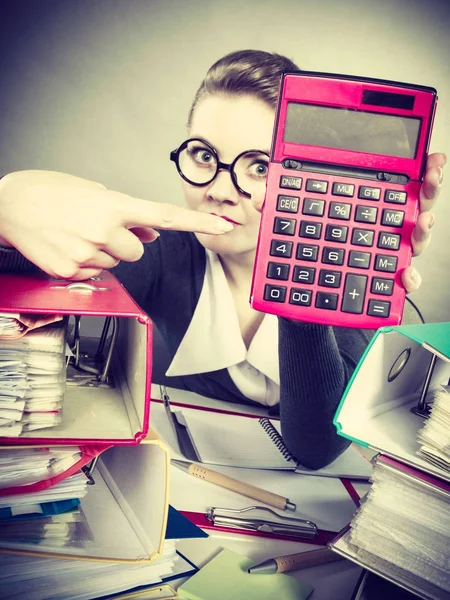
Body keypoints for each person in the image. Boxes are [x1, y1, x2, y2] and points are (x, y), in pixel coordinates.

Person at [0, 50, 446, 468]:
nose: (218, 190)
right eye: (204, 155)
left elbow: (315, 448)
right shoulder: (160, 250)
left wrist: (306, 283)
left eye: (260, 166)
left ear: (310, 176)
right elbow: (31, 271)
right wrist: (10, 206)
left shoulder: (349, 279)